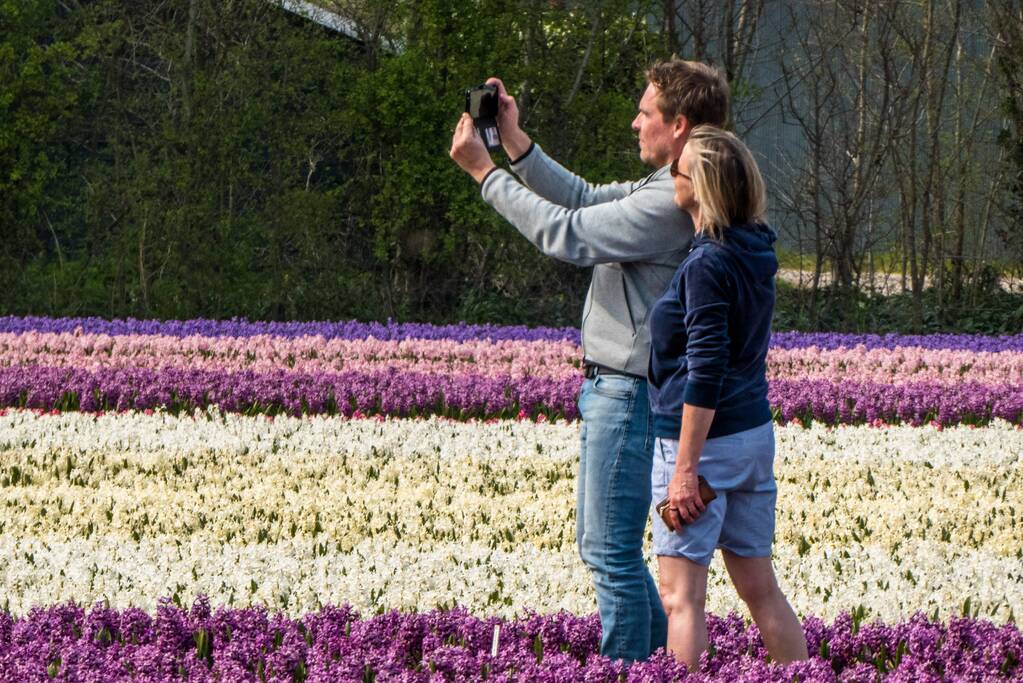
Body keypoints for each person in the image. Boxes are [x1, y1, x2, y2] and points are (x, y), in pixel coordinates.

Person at [449, 60, 730, 662]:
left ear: (679, 125)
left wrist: (485, 173)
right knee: (612, 551)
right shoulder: (669, 183)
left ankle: (631, 671)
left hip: (627, 393)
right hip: (625, 389)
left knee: (609, 552)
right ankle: (656, 668)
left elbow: (570, 234)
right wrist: (516, 143)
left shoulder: (672, 201)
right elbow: (581, 199)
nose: (634, 123)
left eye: (646, 113)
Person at [646, 125, 809, 668]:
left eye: (679, 170)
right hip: (752, 436)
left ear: (704, 187)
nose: (671, 175)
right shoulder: (755, 250)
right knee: (760, 588)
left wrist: (684, 468)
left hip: (702, 445)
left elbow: (706, 367)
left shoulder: (708, 263)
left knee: (682, 597)